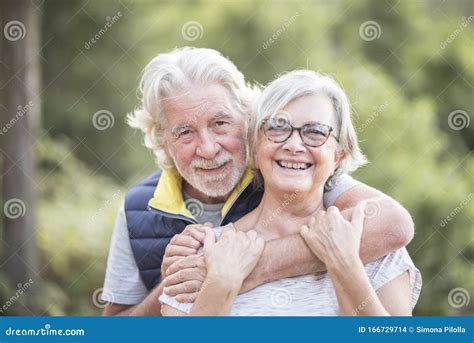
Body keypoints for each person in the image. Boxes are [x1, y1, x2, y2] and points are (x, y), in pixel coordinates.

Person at [101, 47, 415, 316]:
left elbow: (394, 224)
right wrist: (182, 278)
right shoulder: (140, 211)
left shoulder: (304, 179)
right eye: (184, 132)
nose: (208, 148)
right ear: (162, 141)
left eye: (220, 123)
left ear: (247, 125)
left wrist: (253, 266)